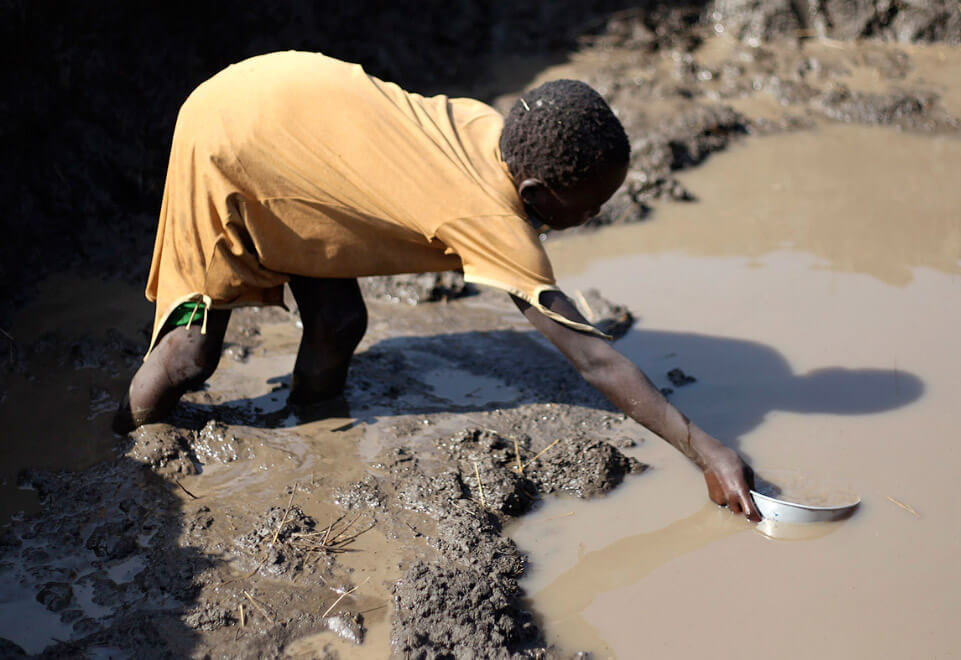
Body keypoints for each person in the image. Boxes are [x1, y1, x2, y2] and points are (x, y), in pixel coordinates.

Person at [114, 51, 760, 521]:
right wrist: (702, 447)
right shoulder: (489, 217)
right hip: (231, 132)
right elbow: (593, 356)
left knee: (339, 322)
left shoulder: (494, 134)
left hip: (297, 121)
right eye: (587, 207)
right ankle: (125, 445)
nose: (593, 218)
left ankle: (313, 417)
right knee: (191, 355)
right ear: (535, 192)